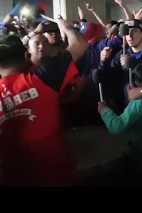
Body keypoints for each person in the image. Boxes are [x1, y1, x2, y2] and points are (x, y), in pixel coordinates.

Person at [0, 16, 88, 186]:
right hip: (56, 173)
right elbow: (80, 45)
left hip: (13, 177)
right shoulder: (45, 77)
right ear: (27, 55)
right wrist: (66, 27)